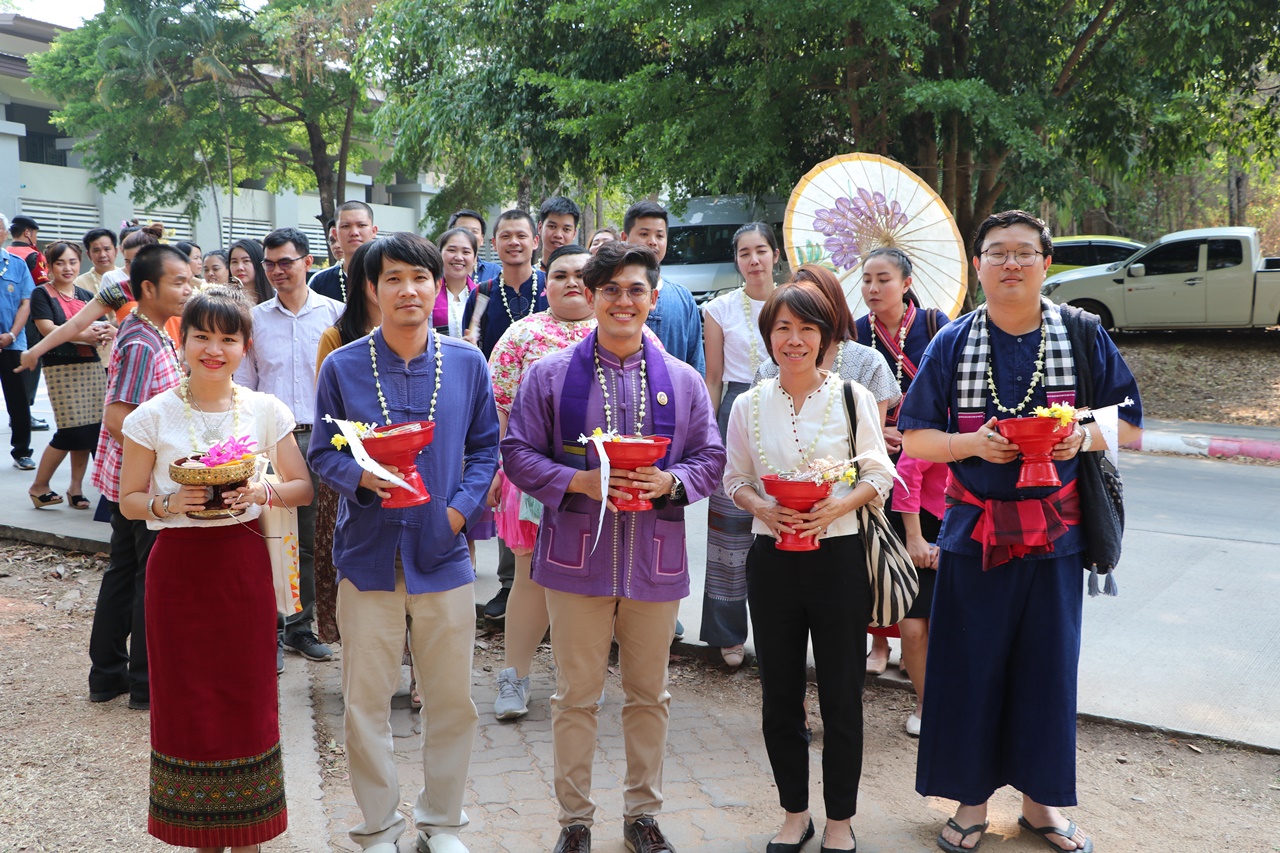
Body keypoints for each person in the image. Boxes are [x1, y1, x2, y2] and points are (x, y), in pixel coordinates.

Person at [900, 210, 1142, 853]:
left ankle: (1041, 807)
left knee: (1048, 672)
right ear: (978, 264)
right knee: (968, 670)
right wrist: (969, 442)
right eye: (997, 252)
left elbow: (1130, 425)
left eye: (1025, 253)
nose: (1011, 263)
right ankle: (970, 805)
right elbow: (918, 435)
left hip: (1057, 536)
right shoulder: (951, 342)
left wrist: (1078, 439)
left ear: (1045, 263)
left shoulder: (1084, 334)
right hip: (973, 532)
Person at [502, 240, 725, 853]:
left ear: (654, 298)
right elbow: (517, 452)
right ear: (590, 297)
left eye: (635, 290)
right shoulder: (550, 376)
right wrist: (577, 480)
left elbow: (711, 458)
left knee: (649, 693)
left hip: (655, 559)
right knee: (576, 695)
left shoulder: (681, 382)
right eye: (610, 291)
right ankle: (574, 822)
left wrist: (671, 481)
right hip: (577, 561)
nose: (623, 301)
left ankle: (641, 815)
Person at [311, 232, 500, 853]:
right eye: (392, 278)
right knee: (365, 704)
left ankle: (442, 824)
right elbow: (323, 453)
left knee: (452, 701)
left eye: (419, 277)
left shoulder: (467, 362)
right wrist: (361, 477)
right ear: (373, 289)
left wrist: (456, 514)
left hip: (442, 556)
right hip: (368, 556)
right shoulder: (342, 366)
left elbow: (484, 451)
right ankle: (379, 828)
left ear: (436, 284)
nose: (408, 290)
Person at [116, 286, 311, 850]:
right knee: (188, 704)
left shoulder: (266, 409)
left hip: (243, 568)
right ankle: (199, 834)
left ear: (245, 345)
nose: (214, 349)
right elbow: (129, 498)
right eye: (202, 335)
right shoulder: (151, 416)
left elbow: (299, 486)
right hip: (178, 576)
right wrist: (168, 503)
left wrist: (262, 487)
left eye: (228, 338)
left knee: (248, 699)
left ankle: (250, 834)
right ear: (183, 338)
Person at [723, 280, 894, 853]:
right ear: (768, 336)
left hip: (839, 557)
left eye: (807, 329)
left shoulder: (852, 397)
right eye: (782, 329)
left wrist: (836, 505)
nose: (794, 340)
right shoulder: (749, 403)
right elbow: (734, 479)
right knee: (779, 693)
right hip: (771, 560)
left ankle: (840, 820)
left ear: (825, 337)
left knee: (842, 693)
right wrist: (763, 507)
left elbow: (879, 474)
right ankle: (794, 813)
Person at [486, 243, 662, 720]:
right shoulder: (522, 335)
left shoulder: (638, 336)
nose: (569, 282)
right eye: (559, 274)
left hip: (621, 489)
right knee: (530, 579)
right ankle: (514, 678)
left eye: (578, 274)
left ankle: (580, 680)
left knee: (597, 579)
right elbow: (499, 407)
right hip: (542, 481)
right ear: (548, 284)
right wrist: (501, 471)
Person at [85, 244, 194, 711]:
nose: (188, 290)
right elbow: (116, 416)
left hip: (139, 480)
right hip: (140, 485)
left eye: (190, 280)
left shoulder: (154, 330)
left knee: (126, 571)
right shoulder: (140, 342)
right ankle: (144, 681)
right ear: (148, 288)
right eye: (179, 282)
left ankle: (108, 675)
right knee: (146, 578)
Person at [235, 227, 344, 669]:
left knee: (317, 537)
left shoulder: (336, 315)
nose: (277, 271)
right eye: (270, 264)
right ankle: (271, 630)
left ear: (308, 261)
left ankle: (302, 627)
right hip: (272, 441)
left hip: (324, 438)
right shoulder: (254, 320)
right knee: (272, 536)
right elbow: (242, 384)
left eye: (286, 262)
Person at [854, 246, 950, 735]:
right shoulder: (855, 332)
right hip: (874, 467)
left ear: (906, 282)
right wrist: (880, 433)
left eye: (883, 279)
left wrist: (913, 434)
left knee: (925, 590)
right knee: (876, 571)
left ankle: (935, 699)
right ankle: (879, 645)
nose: (873, 288)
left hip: (928, 469)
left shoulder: (935, 325)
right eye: (867, 279)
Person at [460, 208, 547, 621]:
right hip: (499, 407)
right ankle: (511, 583)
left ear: (536, 241)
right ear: (493, 245)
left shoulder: (553, 286)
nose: (514, 242)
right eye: (505, 236)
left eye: (521, 235)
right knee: (504, 494)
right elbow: (470, 351)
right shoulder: (481, 294)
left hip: (551, 412)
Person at [699, 222, 779, 668]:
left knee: (781, 521)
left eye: (761, 250)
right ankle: (727, 632)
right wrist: (709, 433)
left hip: (789, 406)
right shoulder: (720, 309)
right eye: (745, 252)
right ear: (736, 260)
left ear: (774, 255)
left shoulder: (795, 300)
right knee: (729, 525)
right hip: (735, 408)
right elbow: (712, 379)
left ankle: (779, 632)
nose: (753, 259)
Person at [312, 241, 379, 646]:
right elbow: (330, 417)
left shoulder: (421, 333)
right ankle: (368, 659)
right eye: (383, 276)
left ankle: (417, 675)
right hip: (350, 468)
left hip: (408, 466)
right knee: (354, 571)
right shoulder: (337, 338)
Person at [26, 242, 111, 508]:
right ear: (49, 267)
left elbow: (104, 324)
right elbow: (46, 328)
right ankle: (39, 486)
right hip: (60, 368)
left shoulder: (86, 294)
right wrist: (84, 335)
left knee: (90, 429)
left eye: (73, 262)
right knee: (71, 430)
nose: (68, 267)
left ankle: (76, 488)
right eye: (61, 263)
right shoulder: (42, 293)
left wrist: (104, 332)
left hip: (92, 367)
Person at [14, 229, 160, 375]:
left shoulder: (172, 285)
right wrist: (34, 352)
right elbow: (76, 324)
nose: (132, 267)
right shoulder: (118, 289)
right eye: (127, 261)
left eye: (137, 260)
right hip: (131, 365)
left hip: (164, 364)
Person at [621, 201, 705, 375]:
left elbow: (695, 362)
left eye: (659, 236)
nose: (652, 242)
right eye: (644, 234)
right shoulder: (611, 294)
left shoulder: (683, 298)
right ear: (624, 238)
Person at [8, 215, 49, 431]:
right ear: (28, 233)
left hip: (6, 319)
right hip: (29, 318)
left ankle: (18, 415)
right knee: (31, 363)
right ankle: (26, 412)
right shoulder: (33, 255)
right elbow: (42, 289)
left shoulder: (6, 254)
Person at [1, 238, 36, 468]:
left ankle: (22, 451)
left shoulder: (16, 264)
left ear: (3, 233)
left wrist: (11, 335)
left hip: (12, 343)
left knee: (18, 400)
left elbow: (26, 302)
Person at [311, 200, 378, 303]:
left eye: (361, 225)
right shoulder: (320, 282)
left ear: (374, 231)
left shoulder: (388, 275)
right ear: (335, 233)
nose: (354, 232)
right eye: (346, 226)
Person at [435, 228, 479, 337]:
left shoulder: (482, 295)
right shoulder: (429, 293)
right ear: (440, 254)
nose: (459, 257)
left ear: (474, 259)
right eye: (452, 250)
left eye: (466, 252)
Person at [449, 208, 500, 284]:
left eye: (474, 231)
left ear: (482, 239)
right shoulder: (437, 271)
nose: (469, 235)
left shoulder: (495, 272)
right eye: (463, 230)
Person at [537, 196, 580, 272]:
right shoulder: (527, 276)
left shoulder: (585, 278)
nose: (558, 235)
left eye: (566, 229)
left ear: (574, 234)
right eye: (552, 227)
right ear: (540, 228)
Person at [229, 238, 273, 305]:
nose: (240, 267)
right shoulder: (225, 301)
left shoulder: (276, 298)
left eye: (246, 261)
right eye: (234, 262)